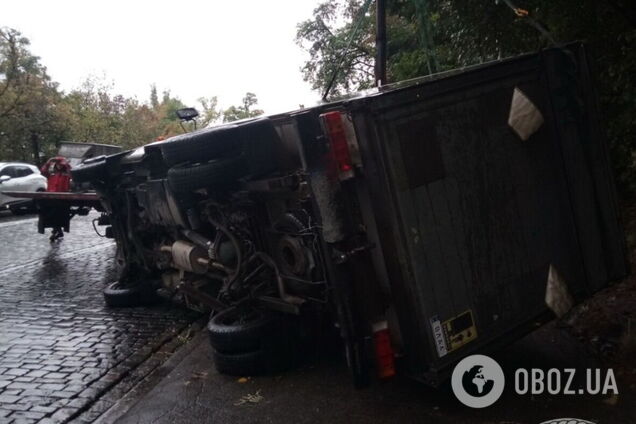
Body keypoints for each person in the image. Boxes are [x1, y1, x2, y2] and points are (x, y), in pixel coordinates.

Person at [40, 156, 72, 241]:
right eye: (58, 164)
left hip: (62, 198)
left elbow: (72, 173)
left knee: (58, 214)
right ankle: (57, 230)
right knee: (50, 214)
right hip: (51, 196)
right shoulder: (51, 172)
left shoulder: (67, 173)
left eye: (61, 165)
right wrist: (48, 162)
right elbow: (43, 171)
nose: (59, 166)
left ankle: (56, 231)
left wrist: (67, 164)